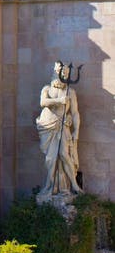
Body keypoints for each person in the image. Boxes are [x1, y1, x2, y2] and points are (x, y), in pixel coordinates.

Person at [36, 62, 81, 197]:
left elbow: (75, 113)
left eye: (67, 73)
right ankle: (49, 186)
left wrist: (76, 130)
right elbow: (43, 102)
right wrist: (59, 100)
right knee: (50, 159)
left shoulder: (70, 92)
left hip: (62, 127)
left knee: (65, 155)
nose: (65, 75)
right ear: (56, 72)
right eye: (62, 72)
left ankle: (74, 185)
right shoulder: (46, 89)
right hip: (48, 126)